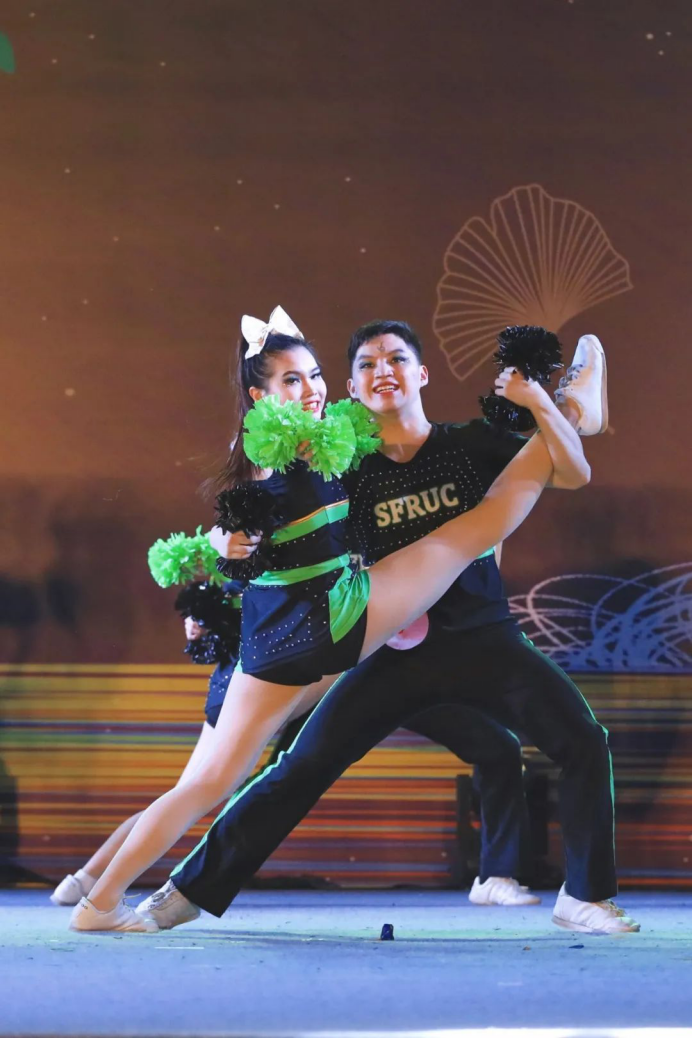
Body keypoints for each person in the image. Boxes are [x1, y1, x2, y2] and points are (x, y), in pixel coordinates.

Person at [139, 321, 640, 936]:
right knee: (300, 767)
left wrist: (538, 400)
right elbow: (269, 519)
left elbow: (572, 471)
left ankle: (584, 896)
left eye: (397, 359)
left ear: (421, 374)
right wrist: (222, 554)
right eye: (368, 364)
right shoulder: (341, 463)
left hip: (484, 636)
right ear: (350, 389)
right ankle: (186, 890)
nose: (384, 371)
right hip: (387, 646)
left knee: (583, 739)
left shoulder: (472, 443)